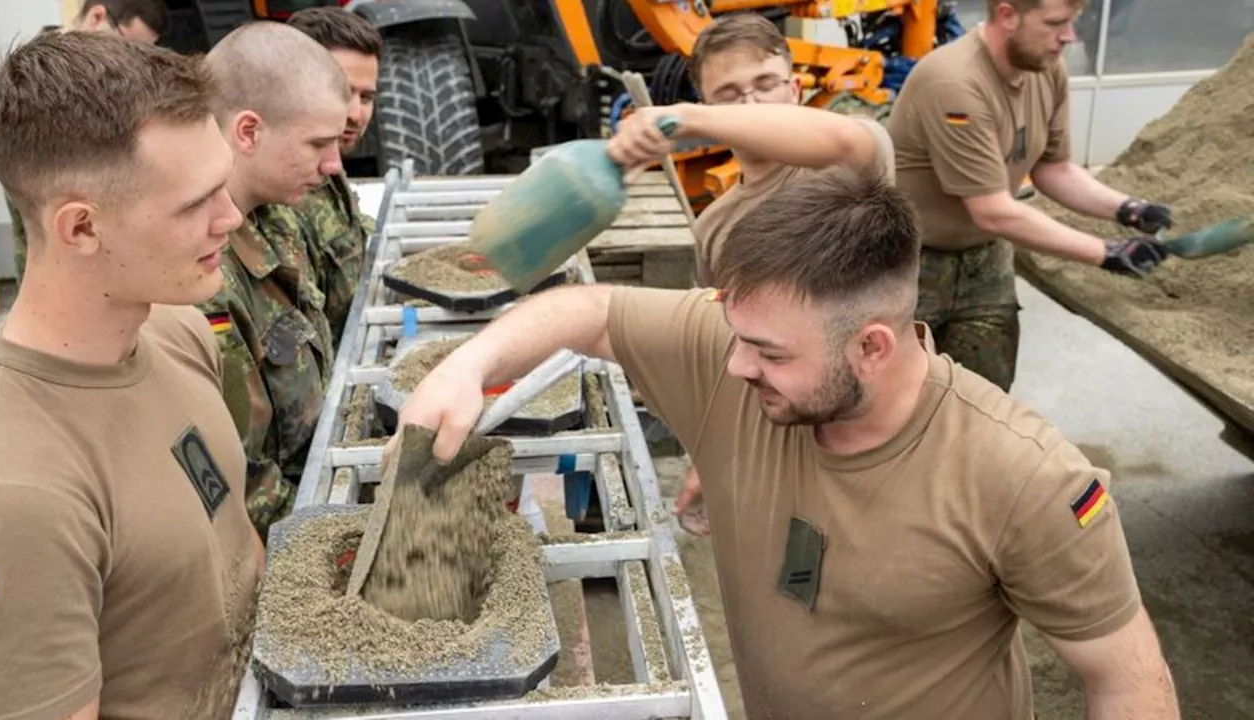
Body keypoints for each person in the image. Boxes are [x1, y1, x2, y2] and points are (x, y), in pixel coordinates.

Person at [389, 165, 1179, 718]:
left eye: (770, 353)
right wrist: (467, 367)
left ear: (872, 346)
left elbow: (1128, 682)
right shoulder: (740, 353)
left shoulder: (1023, 478)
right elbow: (592, 310)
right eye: (739, 336)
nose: (736, 365)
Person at [0, 31, 262, 720]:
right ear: (80, 229)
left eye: (224, 184)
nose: (232, 217)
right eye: (196, 203)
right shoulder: (16, 493)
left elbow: (238, 550)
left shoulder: (179, 333)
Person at [605, 10, 895, 535]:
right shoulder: (715, 228)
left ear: (796, 90)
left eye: (766, 85)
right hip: (787, 444)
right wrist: (710, 457)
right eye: (730, 94)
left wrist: (682, 119)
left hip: (880, 432)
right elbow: (729, 355)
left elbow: (846, 141)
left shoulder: (847, 170)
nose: (752, 105)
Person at [886, 0, 1173, 393]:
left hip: (987, 262)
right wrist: (1108, 254)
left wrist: (1130, 210)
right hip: (912, 264)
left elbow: (1055, 170)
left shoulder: (1044, 68)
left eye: (1072, 22)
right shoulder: (954, 82)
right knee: (899, 395)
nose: (1069, 37)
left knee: (984, 396)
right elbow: (994, 211)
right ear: (1007, 15)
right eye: (1056, 23)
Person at [194, 21, 352, 539]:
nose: (333, 165)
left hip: (318, 501)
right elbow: (239, 481)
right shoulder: (201, 273)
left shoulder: (280, 221)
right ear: (248, 131)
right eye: (317, 144)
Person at [9, 0, 171, 282]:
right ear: (97, 16)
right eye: (128, 46)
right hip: (55, 232)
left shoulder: (100, 69)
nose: (131, 58)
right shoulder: (34, 74)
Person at [287, 6, 382, 345]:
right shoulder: (281, 194)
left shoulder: (328, 172)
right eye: (343, 92)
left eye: (367, 97)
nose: (356, 114)